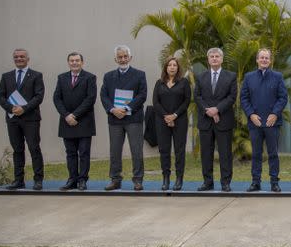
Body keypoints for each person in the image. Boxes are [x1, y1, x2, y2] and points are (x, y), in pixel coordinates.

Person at [0, 48, 45, 190]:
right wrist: (11, 108)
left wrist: (24, 108)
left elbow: (39, 96)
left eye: (22, 56)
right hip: (13, 119)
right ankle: (18, 180)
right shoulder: (6, 76)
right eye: (16, 57)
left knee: (34, 148)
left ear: (27, 59)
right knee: (17, 149)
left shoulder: (36, 75)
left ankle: (38, 179)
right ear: (14, 59)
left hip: (30, 118)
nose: (19, 59)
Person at [100, 45, 147, 191]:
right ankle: (115, 179)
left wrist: (127, 108)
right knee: (114, 151)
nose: (123, 59)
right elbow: (104, 95)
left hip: (133, 118)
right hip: (115, 119)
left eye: (125, 56)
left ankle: (138, 180)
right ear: (115, 59)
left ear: (130, 57)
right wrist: (113, 109)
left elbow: (142, 95)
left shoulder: (140, 74)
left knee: (136, 150)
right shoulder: (108, 76)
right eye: (120, 57)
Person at [240, 48, 288, 192]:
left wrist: (274, 114)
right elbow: (244, 98)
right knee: (256, 153)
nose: (264, 60)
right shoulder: (249, 77)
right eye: (261, 57)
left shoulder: (278, 76)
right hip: (255, 122)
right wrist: (251, 114)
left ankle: (274, 182)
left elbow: (283, 97)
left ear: (270, 60)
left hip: (272, 122)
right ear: (257, 60)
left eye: (267, 58)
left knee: (273, 153)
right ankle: (256, 182)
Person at [194, 47, 237, 192]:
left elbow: (232, 97)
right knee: (206, 153)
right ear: (208, 59)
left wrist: (217, 109)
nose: (214, 58)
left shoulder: (231, 76)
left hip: (223, 120)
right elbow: (197, 97)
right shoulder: (200, 77)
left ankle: (225, 183)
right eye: (211, 56)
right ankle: (208, 182)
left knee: (225, 153)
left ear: (222, 59)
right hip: (206, 121)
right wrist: (209, 111)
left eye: (217, 56)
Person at [52, 51, 96, 191]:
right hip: (66, 122)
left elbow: (90, 99)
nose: (75, 63)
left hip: (84, 121)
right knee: (70, 153)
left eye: (77, 60)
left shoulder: (90, 77)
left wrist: (75, 115)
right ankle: (72, 179)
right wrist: (66, 115)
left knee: (83, 153)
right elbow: (57, 98)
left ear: (82, 62)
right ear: (68, 62)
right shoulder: (61, 78)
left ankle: (82, 180)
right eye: (72, 60)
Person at [152, 57, 191, 191]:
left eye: (175, 65)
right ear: (166, 68)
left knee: (179, 150)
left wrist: (174, 115)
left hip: (180, 120)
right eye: (170, 65)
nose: (172, 67)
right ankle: (166, 178)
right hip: (162, 121)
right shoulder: (159, 83)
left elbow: (186, 101)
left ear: (178, 68)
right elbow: (155, 102)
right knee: (164, 150)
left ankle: (179, 179)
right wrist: (166, 117)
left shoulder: (184, 82)